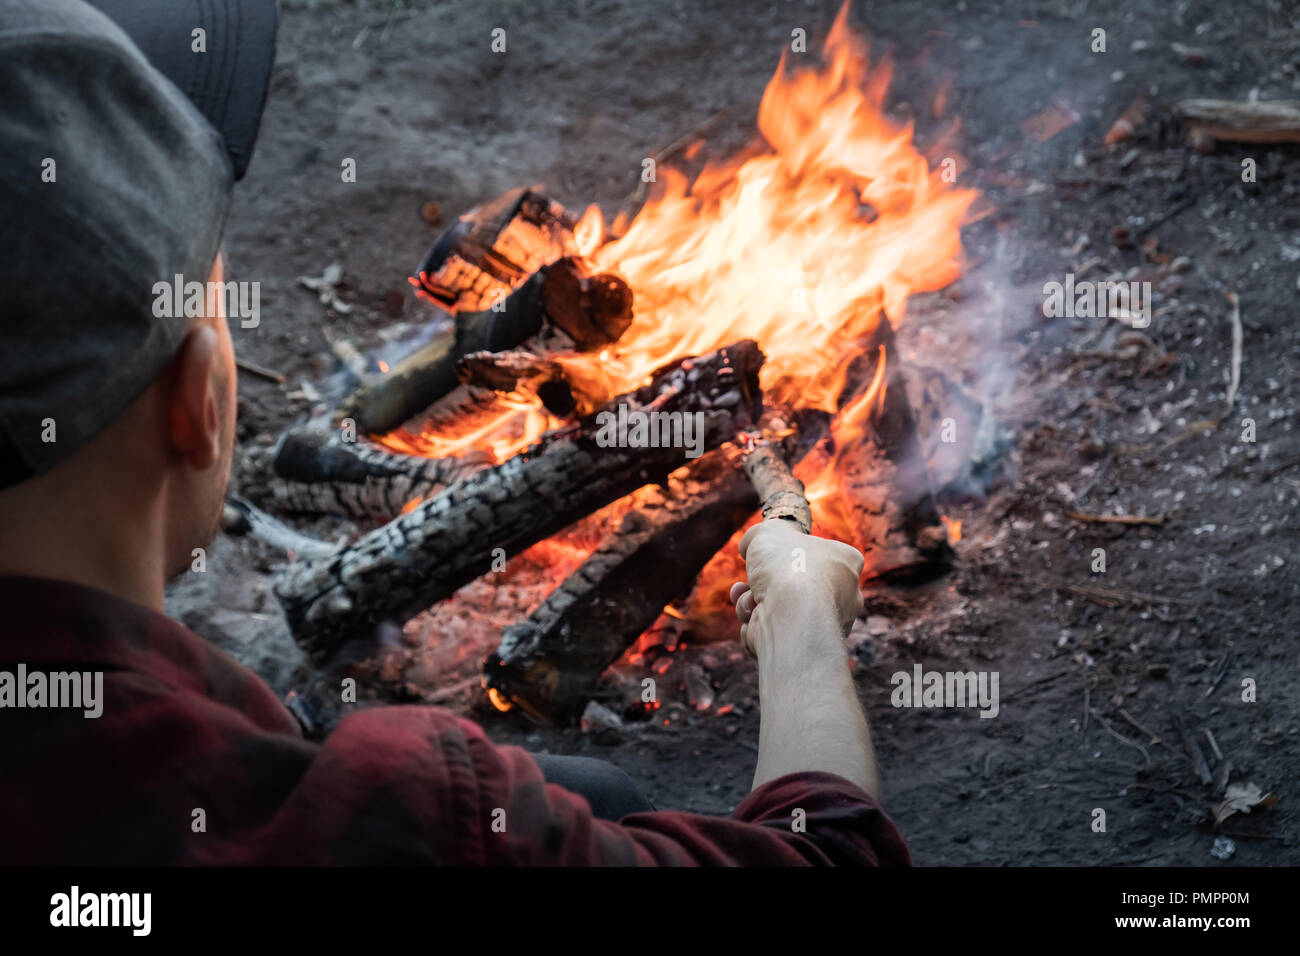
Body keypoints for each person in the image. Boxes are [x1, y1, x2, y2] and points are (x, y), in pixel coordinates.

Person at [0, 0, 910, 865]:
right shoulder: (387, 827)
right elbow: (833, 856)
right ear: (198, 403)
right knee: (603, 799)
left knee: (592, 789)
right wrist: (800, 625)